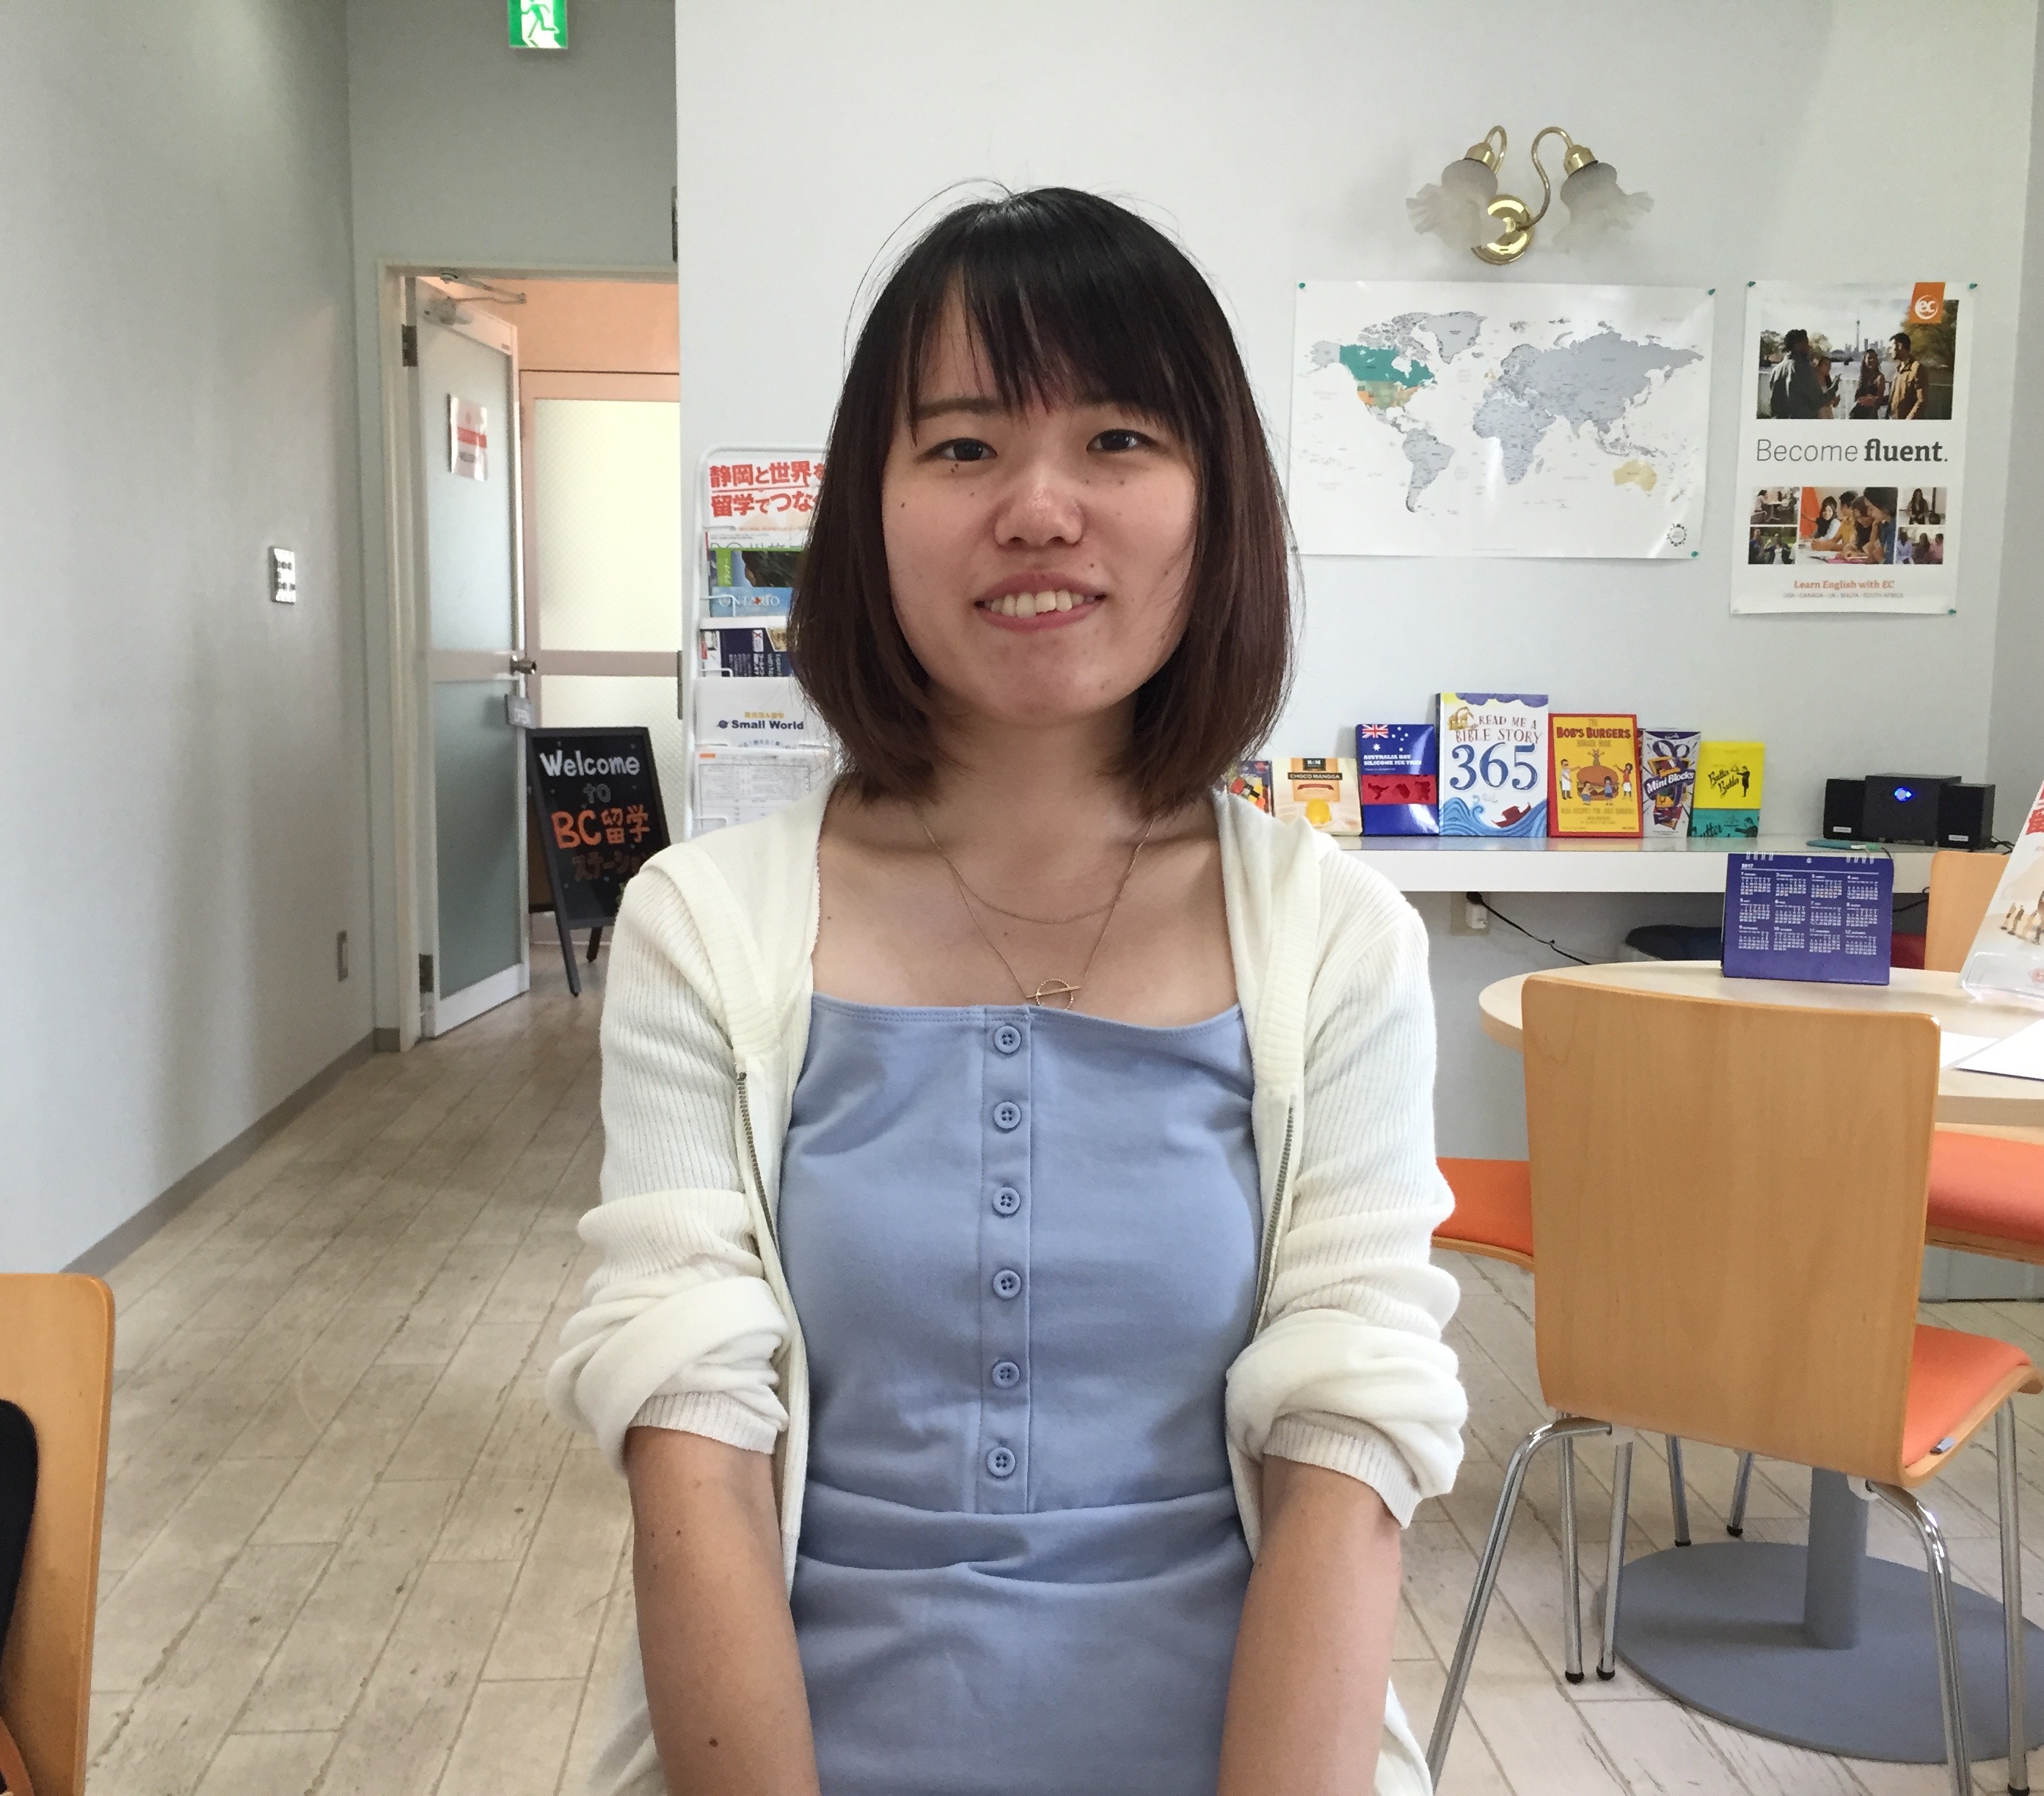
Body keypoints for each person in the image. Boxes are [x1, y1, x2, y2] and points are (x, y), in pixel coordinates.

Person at [547, 187, 1467, 1796]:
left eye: (1117, 439)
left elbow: (1351, 1436)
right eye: (963, 445)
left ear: (1216, 503)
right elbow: (686, 1429)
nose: (1040, 509)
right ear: (870, 508)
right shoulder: (708, 925)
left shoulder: (1338, 941)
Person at [1767, 327, 1825, 418]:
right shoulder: (1802, 368)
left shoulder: (1776, 370)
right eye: (1806, 344)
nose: (1809, 347)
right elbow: (1817, 400)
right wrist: (1832, 391)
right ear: (1798, 346)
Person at [1890, 330, 1927, 419]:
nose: (1890, 351)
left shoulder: (1916, 368)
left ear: (1900, 346)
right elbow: (1897, 397)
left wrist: (1908, 422)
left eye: (1891, 347)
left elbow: (1921, 401)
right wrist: (1876, 400)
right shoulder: (1898, 369)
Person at [1850, 348, 1887, 419]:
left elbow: (1879, 400)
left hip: (1870, 414)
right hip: (1857, 413)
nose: (1872, 360)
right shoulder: (1863, 376)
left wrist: (1871, 416)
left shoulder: (1880, 377)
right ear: (1864, 360)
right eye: (1869, 358)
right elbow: (1857, 398)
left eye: (1874, 358)